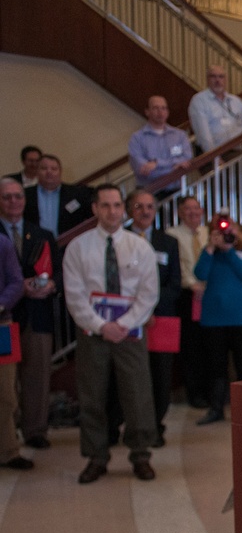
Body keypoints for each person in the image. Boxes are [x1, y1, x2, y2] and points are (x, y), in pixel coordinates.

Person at [63, 185, 159, 483]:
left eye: (117, 205)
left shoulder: (139, 246)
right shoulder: (78, 247)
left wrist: (124, 325)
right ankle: (96, 457)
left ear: (123, 209)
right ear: (95, 209)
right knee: (92, 396)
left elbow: (148, 293)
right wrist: (102, 326)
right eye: (105, 206)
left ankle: (141, 455)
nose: (112, 211)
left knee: (138, 394)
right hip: (93, 334)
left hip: (130, 334)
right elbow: (75, 294)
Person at [107, 189, 181, 448]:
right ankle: (115, 426)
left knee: (160, 376)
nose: (145, 211)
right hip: (124, 319)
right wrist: (137, 312)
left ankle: (154, 427)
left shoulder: (168, 242)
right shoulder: (118, 240)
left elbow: (174, 284)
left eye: (150, 206)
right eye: (139, 206)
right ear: (129, 210)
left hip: (159, 320)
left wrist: (149, 309)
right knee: (122, 375)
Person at [0, 177, 59, 450]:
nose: (14, 201)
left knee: (37, 377)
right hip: (5, 318)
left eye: (18, 196)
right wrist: (18, 289)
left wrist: (50, 285)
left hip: (37, 316)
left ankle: (35, 430)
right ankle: (8, 435)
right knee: (5, 386)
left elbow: (57, 272)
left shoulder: (42, 235)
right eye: (7, 197)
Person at [193, 213, 242, 425]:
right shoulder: (210, 252)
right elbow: (200, 274)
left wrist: (229, 251)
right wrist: (210, 249)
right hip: (214, 320)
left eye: (230, 231)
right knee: (216, 367)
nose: (226, 235)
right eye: (221, 231)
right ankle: (216, 409)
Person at [166, 196, 209, 407]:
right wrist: (192, 284)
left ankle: (212, 392)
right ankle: (195, 393)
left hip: (210, 296)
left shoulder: (209, 233)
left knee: (211, 344)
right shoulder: (172, 235)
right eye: (188, 209)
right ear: (180, 212)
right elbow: (177, 266)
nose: (193, 212)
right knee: (191, 348)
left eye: (196, 208)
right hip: (187, 295)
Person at [188, 65, 242, 154]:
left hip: (236, 151)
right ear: (207, 79)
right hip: (211, 153)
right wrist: (214, 156)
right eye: (213, 76)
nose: (217, 80)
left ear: (225, 80)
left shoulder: (235, 101)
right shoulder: (199, 100)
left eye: (221, 77)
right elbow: (203, 134)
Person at [127, 95, 193, 195]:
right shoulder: (137, 138)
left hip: (175, 191)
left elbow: (187, 160)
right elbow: (143, 170)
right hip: (148, 192)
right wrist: (174, 167)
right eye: (155, 108)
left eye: (163, 108)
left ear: (167, 112)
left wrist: (156, 164)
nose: (160, 112)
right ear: (147, 112)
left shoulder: (180, 135)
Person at [0, 232, 27, 470]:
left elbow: (17, 282)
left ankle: (8, 451)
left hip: (1, 325)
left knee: (6, 393)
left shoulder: (3, 244)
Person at [24, 154, 92, 237]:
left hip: (68, 245)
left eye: (54, 169)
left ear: (60, 172)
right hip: (36, 246)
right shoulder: (25, 195)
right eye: (44, 168)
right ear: (37, 172)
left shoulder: (77, 194)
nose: (49, 172)